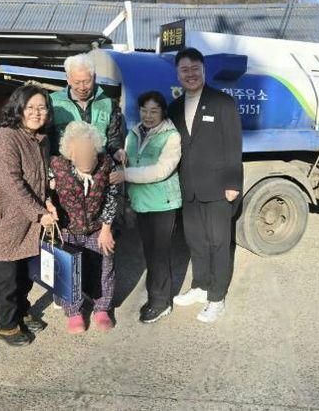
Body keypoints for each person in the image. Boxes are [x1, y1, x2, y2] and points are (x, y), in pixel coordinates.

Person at [0, 85, 58, 347]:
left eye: (42, 107)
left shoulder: (41, 140)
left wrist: (48, 202)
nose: (36, 112)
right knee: (6, 280)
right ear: (18, 109)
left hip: (26, 223)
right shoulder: (5, 138)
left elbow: (40, 180)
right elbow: (12, 183)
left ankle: (21, 311)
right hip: (0, 222)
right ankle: (6, 325)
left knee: (24, 275)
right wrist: (40, 213)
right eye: (30, 107)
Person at [167, 47, 243, 323]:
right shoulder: (174, 107)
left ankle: (217, 297)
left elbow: (233, 144)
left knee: (219, 243)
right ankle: (200, 286)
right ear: (178, 74)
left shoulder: (222, 102)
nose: (190, 74)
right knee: (196, 241)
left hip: (218, 187)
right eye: (184, 70)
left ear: (203, 70)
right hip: (188, 187)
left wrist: (233, 183)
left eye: (195, 69)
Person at [49, 121, 119, 334]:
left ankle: (102, 308)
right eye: (80, 154)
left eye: (90, 153)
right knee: (68, 270)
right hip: (68, 228)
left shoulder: (106, 164)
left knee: (105, 265)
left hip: (97, 226)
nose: (86, 158)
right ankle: (74, 312)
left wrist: (106, 229)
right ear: (70, 154)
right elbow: (42, 190)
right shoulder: (56, 166)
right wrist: (48, 202)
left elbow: (112, 197)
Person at [119, 91, 182, 324]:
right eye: (144, 110)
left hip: (162, 204)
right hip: (141, 203)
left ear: (163, 112)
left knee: (159, 255)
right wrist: (121, 155)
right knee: (149, 253)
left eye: (154, 111)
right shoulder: (134, 132)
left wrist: (124, 175)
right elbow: (127, 158)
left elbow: (161, 171)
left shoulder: (171, 136)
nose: (148, 115)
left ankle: (161, 302)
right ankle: (155, 296)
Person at [50, 52, 127, 170]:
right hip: (64, 171)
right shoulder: (53, 102)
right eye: (77, 82)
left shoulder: (108, 104)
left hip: (99, 169)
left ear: (94, 78)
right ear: (68, 79)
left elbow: (114, 138)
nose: (82, 88)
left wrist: (117, 151)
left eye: (86, 82)